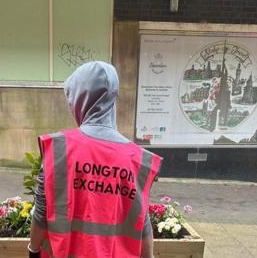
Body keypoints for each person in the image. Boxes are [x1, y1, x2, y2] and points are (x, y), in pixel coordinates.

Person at [29, 61, 162, 258]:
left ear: (79, 99)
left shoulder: (59, 150)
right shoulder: (138, 160)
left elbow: (41, 213)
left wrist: (33, 250)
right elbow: (142, 222)